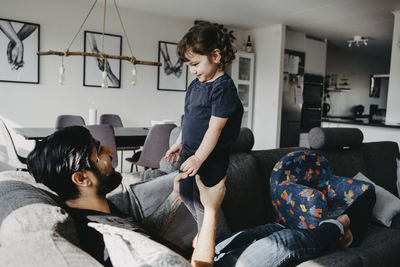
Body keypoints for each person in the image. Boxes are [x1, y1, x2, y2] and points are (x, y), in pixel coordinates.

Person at [27, 126, 354, 267]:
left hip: (193, 254)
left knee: (269, 229)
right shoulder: (107, 239)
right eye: (99, 152)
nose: (110, 152)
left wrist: (174, 195)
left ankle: (326, 237)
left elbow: (148, 230)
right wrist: (210, 211)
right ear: (82, 178)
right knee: (280, 246)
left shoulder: (100, 208)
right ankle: (339, 225)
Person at [164, 21, 244, 238]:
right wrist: (179, 142)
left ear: (216, 56)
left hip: (210, 159)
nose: (193, 70)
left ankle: (210, 241)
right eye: (189, 65)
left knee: (204, 202)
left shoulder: (223, 88)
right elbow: (189, 119)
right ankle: (203, 235)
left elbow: (215, 128)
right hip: (191, 154)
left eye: (196, 63)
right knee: (186, 195)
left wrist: (199, 158)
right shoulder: (195, 85)